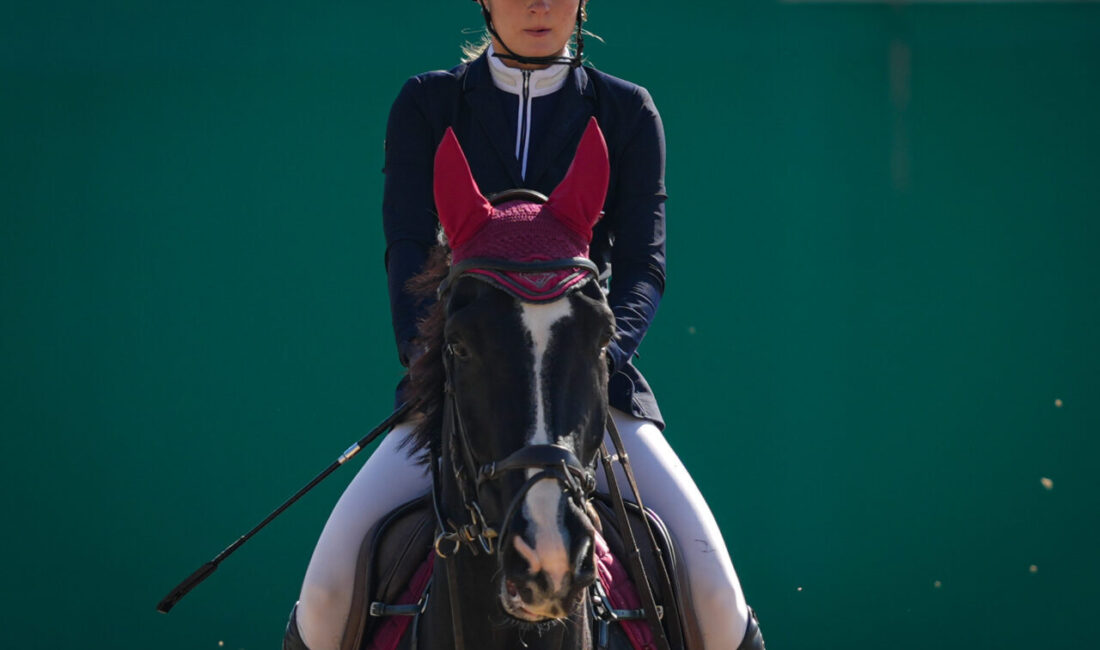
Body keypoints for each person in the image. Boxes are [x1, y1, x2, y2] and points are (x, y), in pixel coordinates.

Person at [286, 2, 765, 648]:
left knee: (717, 598)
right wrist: (435, 364)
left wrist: (595, 363)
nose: (538, 5)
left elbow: (643, 270)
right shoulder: (427, 106)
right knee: (323, 597)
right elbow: (407, 251)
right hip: (462, 401)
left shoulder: (627, 113)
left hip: (589, 399)